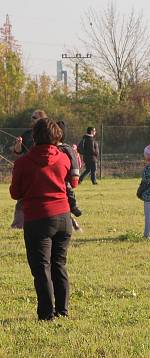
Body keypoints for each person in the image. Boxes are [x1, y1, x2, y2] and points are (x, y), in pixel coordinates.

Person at [10, 118, 77, 320]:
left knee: (41, 269)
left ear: (35, 136)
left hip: (38, 219)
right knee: (59, 265)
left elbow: (15, 193)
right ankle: (63, 311)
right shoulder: (64, 159)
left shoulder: (22, 162)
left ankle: (47, 314)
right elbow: (72, 181)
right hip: (64, 218)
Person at [9, 110, 48, 229]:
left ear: (41, 119)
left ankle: (70, 224)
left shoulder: (47, 133)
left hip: (43, 169)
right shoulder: (26, 134)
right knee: (22, 197)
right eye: (32, 117)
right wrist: (18, 143)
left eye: (34, 117)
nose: (32, 120)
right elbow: (17, 151)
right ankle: (18, 224)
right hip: (28, 169)